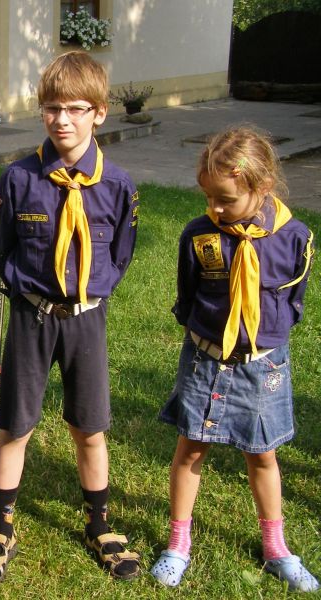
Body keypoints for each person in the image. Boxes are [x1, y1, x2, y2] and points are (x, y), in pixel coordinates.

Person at [0, 50, 141, 583]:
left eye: (75, 108)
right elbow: (2, 248)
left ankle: (99, 524)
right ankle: (1, 526)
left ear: (99, 113)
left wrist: (88, 294)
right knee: (15, 424)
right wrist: (29, 291)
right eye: (51, 108)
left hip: (86, 318)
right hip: (33, 317)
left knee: (90, 426)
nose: (62, 120)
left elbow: (121, 254)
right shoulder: (18, 180)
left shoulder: (117, 186)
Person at [151, 126, 318, 592]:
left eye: (225, 199)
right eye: (208, 197)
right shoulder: (200, 234)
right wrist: (199, 329)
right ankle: (178, 543)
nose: (215, 208)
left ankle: (276, 548)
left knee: (262, 454)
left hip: (263, 366)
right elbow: (187, 292)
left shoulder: (294, 237)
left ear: (263, 186)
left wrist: (266, 336)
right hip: (205, 360)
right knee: (190, 448)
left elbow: (295, 298)